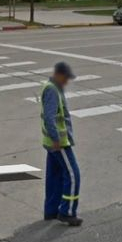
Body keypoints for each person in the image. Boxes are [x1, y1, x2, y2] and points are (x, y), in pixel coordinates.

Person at [40, 62, 82, 227]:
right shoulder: (52, 90)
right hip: (59, 143)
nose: (66, 82)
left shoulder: (52, 87)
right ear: (58, 75)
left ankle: (51, 211)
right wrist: (57, 139)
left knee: (54, 176)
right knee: (73, 175)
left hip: (51, 143)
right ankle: (67, 212)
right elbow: (50, 118)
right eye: (65, 78)